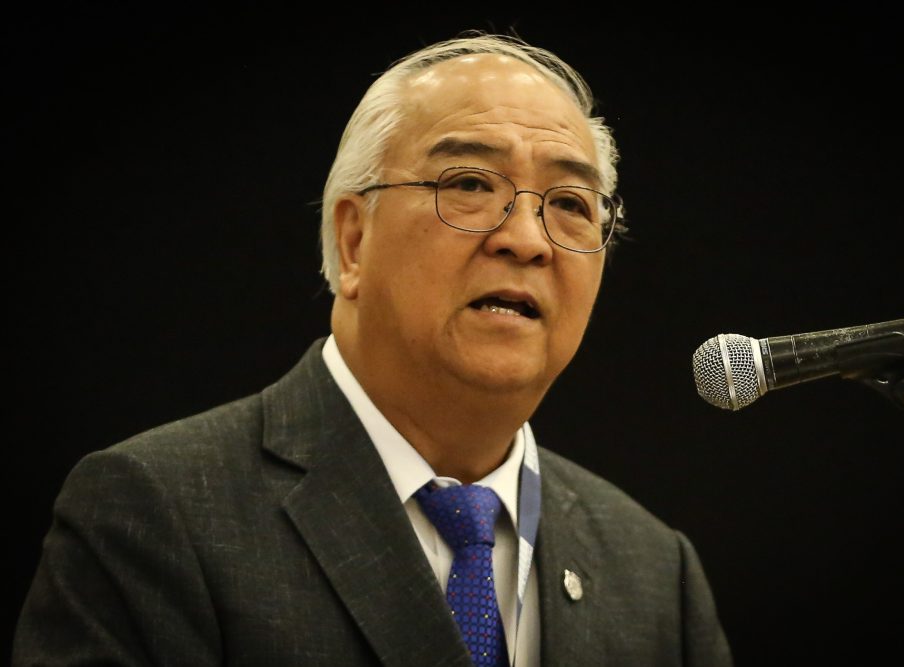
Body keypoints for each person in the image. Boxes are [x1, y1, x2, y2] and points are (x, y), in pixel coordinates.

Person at [14, 31, 733, 666]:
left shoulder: (654, 571)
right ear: (354, 240)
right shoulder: (154, 514)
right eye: (472, 184)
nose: (527, 239)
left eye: (572, 204)